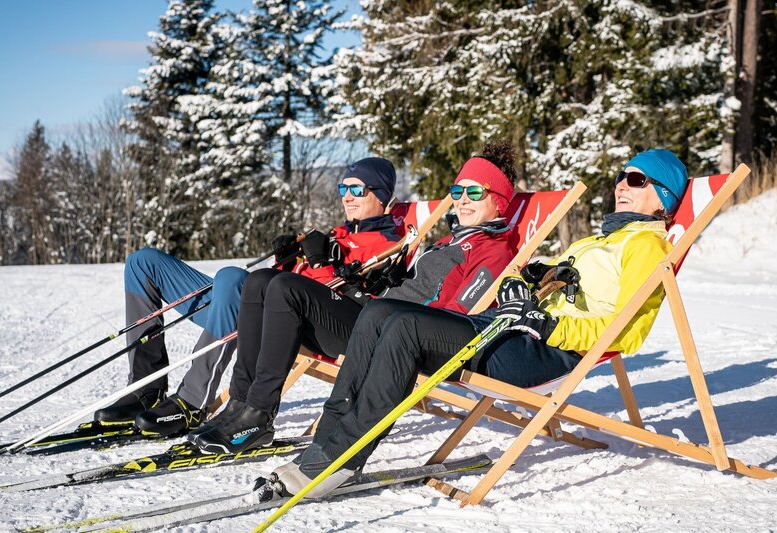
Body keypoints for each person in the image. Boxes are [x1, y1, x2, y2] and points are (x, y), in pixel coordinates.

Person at [269, 149, 691, 498]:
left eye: (637, 181)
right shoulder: (595, 242)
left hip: (543, 352)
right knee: (380, 312)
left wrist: (546, 326)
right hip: (509, 329)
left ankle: (343, 457)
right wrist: (525, 284)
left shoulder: (647, 247)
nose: (621, 185)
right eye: (621, 177)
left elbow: (625, 331)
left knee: (405, 328)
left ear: (664, 199)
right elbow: (537, 285)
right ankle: (326, 439)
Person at [189, 141, 522, 454]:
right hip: (373, 316)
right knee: (262, 279)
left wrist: (361, 291)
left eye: (474, 192)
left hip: (391, 336)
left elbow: (456, 318)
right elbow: (419, 287)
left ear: (499, 202)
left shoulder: (492, 251)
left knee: (284, 288)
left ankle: (258, 414)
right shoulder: (449, 241)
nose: (463, 200)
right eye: (458, 191)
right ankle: (241, 401)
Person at [93, 157, 403, 436]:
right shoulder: (337, 234)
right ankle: (145, 390)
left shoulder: (385, 244)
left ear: (381, 194)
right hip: (250, 308)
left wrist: (322, 264)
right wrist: (288, 258)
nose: (347, 197)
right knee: (143, 262)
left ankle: (191, 401)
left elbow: (332, 302)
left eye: (357, 190)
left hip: (287, 321)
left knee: (230, 277)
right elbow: (280, 279)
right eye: (343, 188)